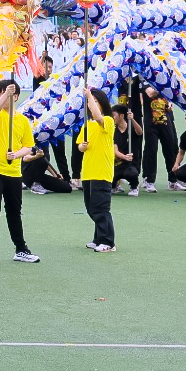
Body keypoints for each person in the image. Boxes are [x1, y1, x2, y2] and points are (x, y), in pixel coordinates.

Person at [0, 80, 41, 266]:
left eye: (4, 93)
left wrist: (16, 155)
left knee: (14, 212)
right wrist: (5, 95)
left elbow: (29, 147)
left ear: (16, 97)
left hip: (14, 172)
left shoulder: (22, 121)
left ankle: (21, 249)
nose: (0, 97)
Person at [77, 87, 119, 252]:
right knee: (91, 206)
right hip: (88, 171)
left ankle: (108, 242)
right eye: (90, 102)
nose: (91, 104)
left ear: (102, 104)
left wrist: (88, 95)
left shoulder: (108, 121)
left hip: (102, 171)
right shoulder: (87, 125)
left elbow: (98, 117)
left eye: (95, 102)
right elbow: (80, 147)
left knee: (100, 208)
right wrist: (82, 146)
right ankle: (98, 238)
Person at [138, 86, 176, 193]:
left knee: (170, 149)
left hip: (165, 122)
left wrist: (169, 103)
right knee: (151, 150)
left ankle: (173, 180)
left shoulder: (166, 83)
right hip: (151, 124)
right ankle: (149, 181)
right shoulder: (146, 81)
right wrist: (163, 86)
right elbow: (150, 93)